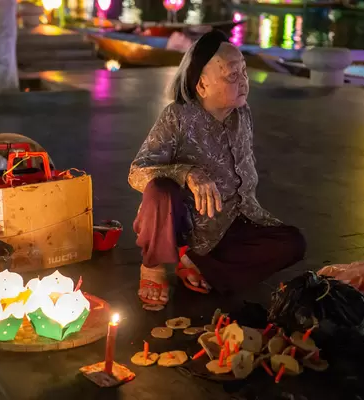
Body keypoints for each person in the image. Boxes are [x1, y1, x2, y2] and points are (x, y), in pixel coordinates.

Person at [129, 30, 306, 306]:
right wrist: (188, 173)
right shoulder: (178, 116)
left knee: (293, 243)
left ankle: (198, 264)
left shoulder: (242, 114)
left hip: (230, 224)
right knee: (160, 189)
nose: (244, 82)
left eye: (244, 72)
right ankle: (154, 266)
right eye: (232, 75)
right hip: (185, 224)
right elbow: (137, 172)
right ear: (201, 85)